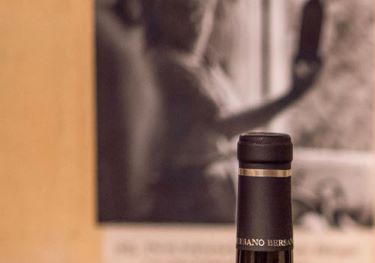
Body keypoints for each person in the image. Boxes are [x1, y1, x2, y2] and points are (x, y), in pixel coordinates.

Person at [137, 0, 322, 223]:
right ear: (162, 13)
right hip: (190, 194)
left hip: (212, 191)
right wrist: (292, 96)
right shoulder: (167, 64)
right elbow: (226, 126)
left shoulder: (203, 64)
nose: (196, 20)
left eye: (202, 11)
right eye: (183, 10)